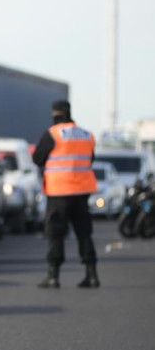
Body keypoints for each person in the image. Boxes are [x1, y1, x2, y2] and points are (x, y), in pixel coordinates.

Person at [32, 100, 99, 289]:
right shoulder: (87, 134)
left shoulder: (53, 133)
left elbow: (37, 158)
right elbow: (90, 159)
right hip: (82, 191)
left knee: (55, 233)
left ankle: (53, 276)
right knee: (84, 232)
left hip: (59, 191)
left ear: (55, 115)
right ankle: (92, 275)